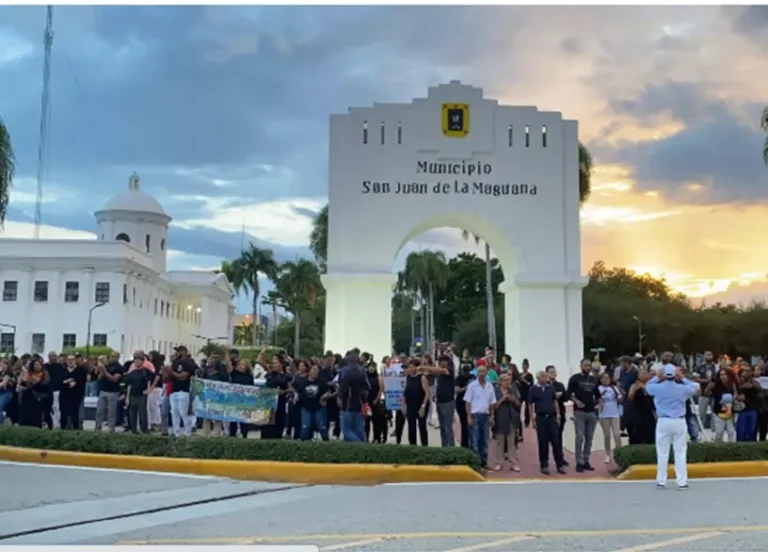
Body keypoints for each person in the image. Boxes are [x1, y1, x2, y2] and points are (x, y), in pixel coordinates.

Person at [645, 364, 699, 489]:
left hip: (663, 421)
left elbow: (648, 387)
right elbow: (695, 387)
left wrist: (657, 377)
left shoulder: (657, 388)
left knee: (662, 452)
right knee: (680, 452)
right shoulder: (682, 388)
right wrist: (683, 377)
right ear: (675, 375)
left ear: (664, 375)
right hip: (679, 421)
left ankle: (661, 480)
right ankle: (682, 481)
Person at [530, 370, 567, 475]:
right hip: (540, 418)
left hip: (552, 417)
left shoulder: (550, 387)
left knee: (556, 441)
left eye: (546, 376)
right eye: (543, 376)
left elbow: (555, 401)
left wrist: (558, 415)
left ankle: (560, 465)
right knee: (543, 442)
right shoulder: (533, 389)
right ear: (538, 377)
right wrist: (532, 419)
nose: (545, 378)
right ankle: (544, 465)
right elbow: (530, 404)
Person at [567, 359, 601, 472]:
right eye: (586, 365)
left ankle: (586, 460)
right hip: (579, 412)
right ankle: (579, 462)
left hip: (591, 412)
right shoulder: (575, 378)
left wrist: (599, 403)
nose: (588, 367)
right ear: (581, 366)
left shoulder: (593, 379)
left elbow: (597, 394)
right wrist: (576, 401)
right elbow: (568, 394)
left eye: (589, 365)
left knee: (589, 438)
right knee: (580, 437)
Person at [464, 365, 496, 469]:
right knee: (474, 440)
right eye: (480, 372)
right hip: (475, 415)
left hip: (485, 415)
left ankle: (484, 462)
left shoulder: (490, 386)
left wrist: (492, 416)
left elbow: (492, 403)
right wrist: (468, 416)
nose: (482, 373)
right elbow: (468, 402)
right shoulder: (472, 386)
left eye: (483, 371)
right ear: (477, 373)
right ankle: (475, 463)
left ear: (487, 373)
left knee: (484, 440)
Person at [492, 373, 522, 472]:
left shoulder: (513, 390)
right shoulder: (495, 391)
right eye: (505, 380)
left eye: (508, 380)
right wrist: (502, 399)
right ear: (500, 382)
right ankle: (498, 462)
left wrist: (513, 400)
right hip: (500, 418)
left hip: (511, 418)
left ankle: (513, 462)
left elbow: (519, 404)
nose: (507, 382)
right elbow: (493, 406)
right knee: (500, 442)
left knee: (512, 442)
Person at [401, 359, 430, 446]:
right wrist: (403, 405)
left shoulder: (422, 378)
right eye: (409, 367)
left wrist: (423, 406)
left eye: (411, 367)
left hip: (421, 404)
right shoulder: (407, 378)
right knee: (411, 427)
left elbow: (427, 393)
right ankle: (413, 446)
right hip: (410, 405)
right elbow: (404, 392)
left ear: (416, 368)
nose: (409, 369)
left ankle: (424, 446)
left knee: (422, 426)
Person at [597, 371, 623, 464]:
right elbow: (596, 400)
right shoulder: (598, 388)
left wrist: (621, 393)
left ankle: (619, 453)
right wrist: (601, 396)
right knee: (607, 435)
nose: (606, 379)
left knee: (617, 434)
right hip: (603, 415)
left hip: (615, 414)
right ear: (600, 379)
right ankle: (608, 455)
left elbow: (620, 399)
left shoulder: (614, 388)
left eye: (607, 377)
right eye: (604, 377)